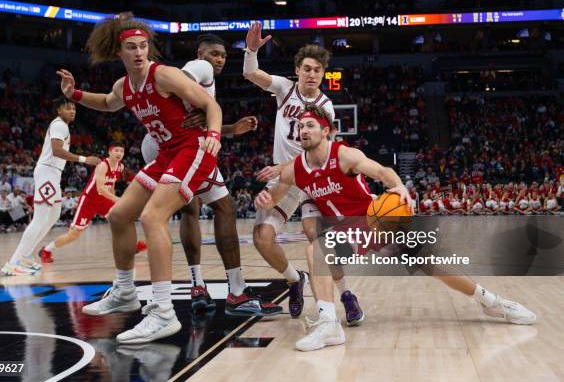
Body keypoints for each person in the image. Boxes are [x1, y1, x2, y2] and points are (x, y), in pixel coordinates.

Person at [255, 106, 536, 351]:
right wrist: (265, 198)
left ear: (325, 131)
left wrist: (399, 186)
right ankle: (329, 324)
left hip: (373, 220)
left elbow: (380, 171)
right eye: (300, 126)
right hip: (345, 232)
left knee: (431, 263)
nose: (303, 130)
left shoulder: (345, 155)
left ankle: (491, 301)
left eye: (310, 125)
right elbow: (276, 193)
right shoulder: (296, 169)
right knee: (317, 248)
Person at [57, 12, 224, 344]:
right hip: (166, 155)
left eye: (143, 46)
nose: (138, 52)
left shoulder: (163, 75)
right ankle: (124, 291)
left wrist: (215, 135)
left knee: (152, 217)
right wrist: (74, 94)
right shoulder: (124, 85)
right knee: (119, 215)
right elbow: (107, 102)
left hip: (193, 150)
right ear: (119, 52)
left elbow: (210, 105)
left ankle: (163, 312)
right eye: (131, 47)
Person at [141, 33, 279, 316]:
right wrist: (198, 113)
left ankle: (197, 285)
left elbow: (191, 118)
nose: (219, 59)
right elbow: (176, 87)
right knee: (224, 207)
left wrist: (230, 129)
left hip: (158, 144)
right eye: (214, 53)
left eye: (223, 55)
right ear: (200, 53)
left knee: (190, 210)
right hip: (179, 146)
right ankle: (237, 293)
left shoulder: (205, 79)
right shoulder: (199, 68)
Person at [244, 22, 361, 324]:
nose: (312, 75)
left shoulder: (327, 107)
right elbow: (251, 74)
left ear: (323, 74)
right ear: (297, 70)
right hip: (285, 181)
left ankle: (346, 294)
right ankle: (295, 279)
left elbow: (317, 155)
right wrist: (252, 50)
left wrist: (285, 167)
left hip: (312, 180)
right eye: (307, 69)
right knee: (262, 237)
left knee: (316, 238)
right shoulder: (284, 89)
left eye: (317, 71)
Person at [1, 97, 100, 276]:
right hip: (48, 172)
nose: (72, 111)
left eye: (74, 108)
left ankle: (26, 256)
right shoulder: (59, 125)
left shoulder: (63, 126)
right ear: (58, 111)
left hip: (53, 173)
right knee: (40, 218)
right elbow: (57, 150)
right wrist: (85, 159)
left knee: (53, 215)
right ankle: (14, 261)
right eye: (68, 108)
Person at [39, 143, 147, 263]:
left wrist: (113, 200)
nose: (119, 154)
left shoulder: (120, 167)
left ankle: (133, 246)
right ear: (110, 152)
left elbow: (111, 184)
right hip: (89, 201)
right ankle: (46, 250)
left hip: (104, 200)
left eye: (121, 151)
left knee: (122, 219)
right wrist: (118, 199)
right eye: (116, 151)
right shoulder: (102, 166)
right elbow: (100, 188)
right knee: (73, 235)